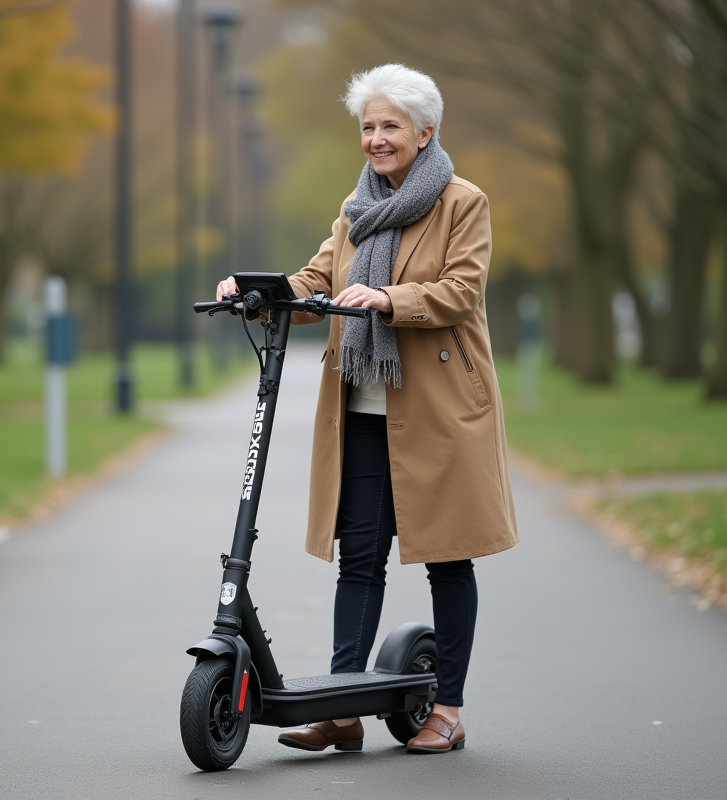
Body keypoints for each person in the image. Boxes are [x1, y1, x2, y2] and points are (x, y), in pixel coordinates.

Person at [216, 64, 517, 755]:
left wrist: (389, 300)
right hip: (363, 407)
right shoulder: (354, 210)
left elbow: (461, 292)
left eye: (389, 126)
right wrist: (258, 291)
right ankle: (343, 705)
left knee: (448, 557)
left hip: (442, 409)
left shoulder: (462, 203)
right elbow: (318, 278)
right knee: (359, 558)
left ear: (424, 132)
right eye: (368, 127)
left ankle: (448, 707)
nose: (376, 139)